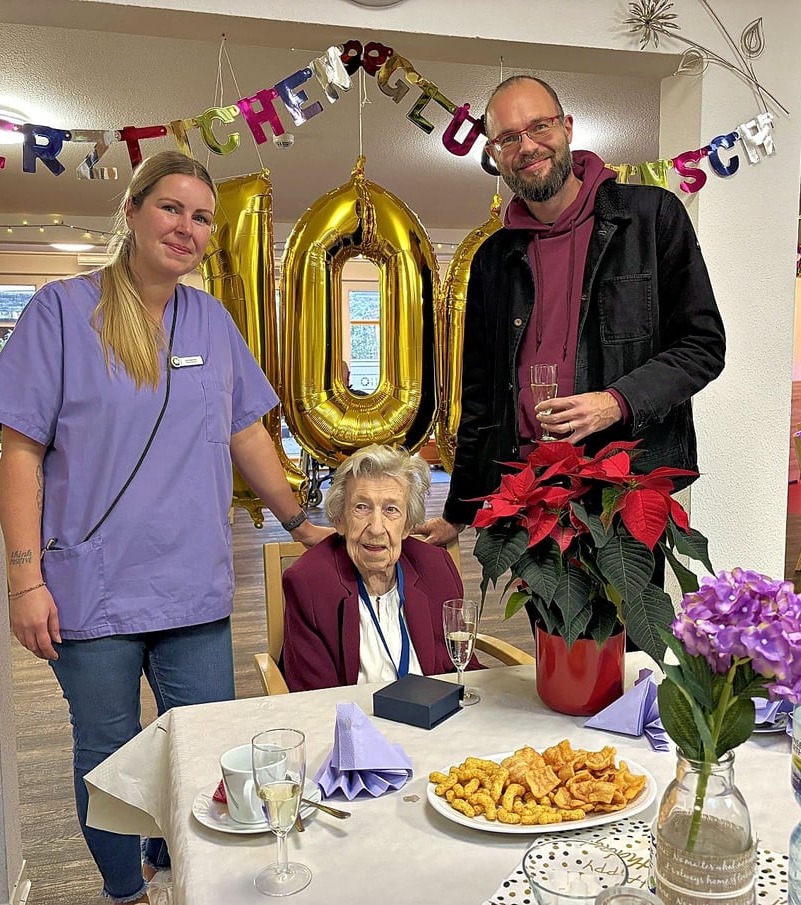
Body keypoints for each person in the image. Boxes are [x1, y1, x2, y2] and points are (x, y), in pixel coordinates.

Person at [0, 151, 330, 904]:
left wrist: (302, 523)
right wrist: (23, 579)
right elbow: (19, 452)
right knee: (108, 755)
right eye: (171, 208)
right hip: (88, 588)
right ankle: (123, 889)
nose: (187, 227)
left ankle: (189, 875)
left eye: (201, 217)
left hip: (191, 586)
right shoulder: (61, 311)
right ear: (131, 212)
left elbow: (248, 434)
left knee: (199, 749)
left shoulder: (211, 319)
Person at [415, 75, 726, 545]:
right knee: (543, 623)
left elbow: (703, 345)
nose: (528, 146)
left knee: (631, 619)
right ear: (495, 155)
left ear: (568, 128)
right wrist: (458, 511)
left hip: (621, 490)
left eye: (539, 126)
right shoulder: (492, 259)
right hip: (523, 493)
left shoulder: (651, 217)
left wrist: (613, 403)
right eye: (508, 138)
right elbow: (480, 397)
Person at [282, 445, 477, 691]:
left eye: (391, 510)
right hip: (353, 723)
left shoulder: (436, 568)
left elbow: (463, 672)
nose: (376, 527)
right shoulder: (309, 584)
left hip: (435, 722)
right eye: (361, 507)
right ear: (340, 520)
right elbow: (314, 700)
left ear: (408, 526)